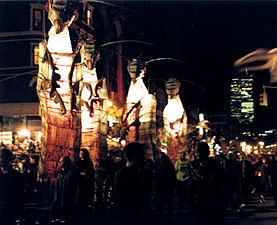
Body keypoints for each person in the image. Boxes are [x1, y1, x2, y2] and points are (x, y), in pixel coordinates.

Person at [114, 142, 153, 225]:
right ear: (135, 156)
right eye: (143, 154)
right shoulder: (123, 174)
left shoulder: (140, 173)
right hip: (131, 218)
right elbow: (125, 200)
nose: (144, 158)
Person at [188, 141, 226, 225]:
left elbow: (224, 184)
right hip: (203, 200)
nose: (199, 154)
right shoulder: (193, 166)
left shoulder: (215, 166)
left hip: (210, 200)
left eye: (200, 151)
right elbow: (191, 186)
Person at [52, 156, 80, 225]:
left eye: (61, 162)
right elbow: (59, 183)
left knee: (69, 214)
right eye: (60, 162)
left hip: (70, 196)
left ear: (66, 163)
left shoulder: (74, 171)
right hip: (62, 195)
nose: (60, 163)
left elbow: (76, 186)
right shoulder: (61, 170)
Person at [0, 147, 24, 225]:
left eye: (2, 157)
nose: (1, 159)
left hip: (9, 211)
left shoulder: (16, 176)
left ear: (9, 159)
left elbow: (19, 195)